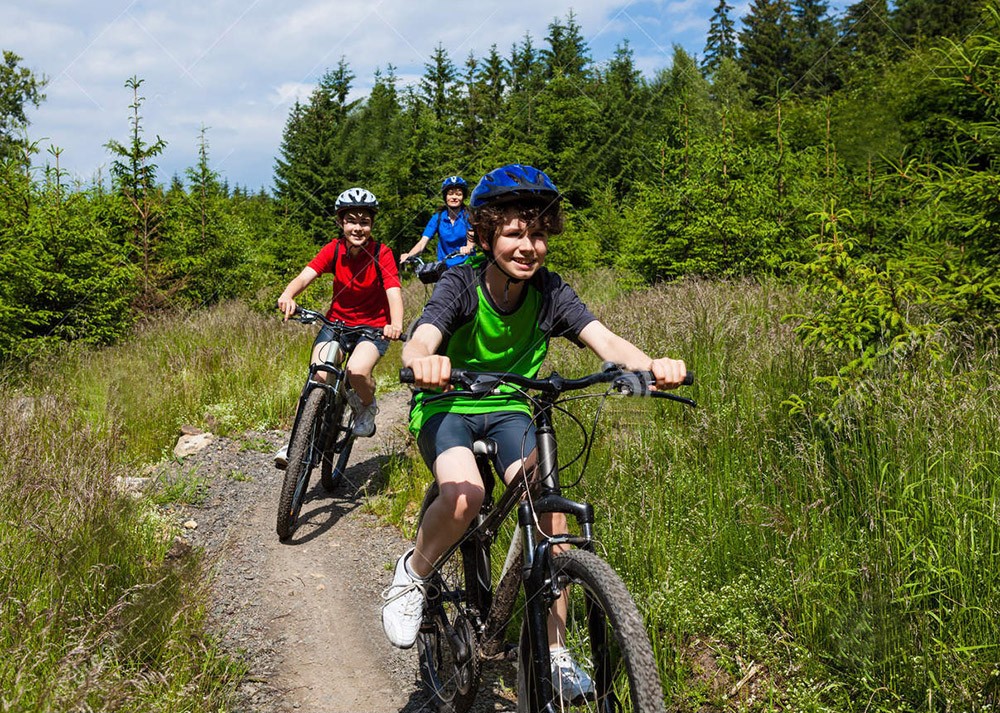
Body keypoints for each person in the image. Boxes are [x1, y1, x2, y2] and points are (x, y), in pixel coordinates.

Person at [380, 164, 687, 699]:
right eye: (515, 233)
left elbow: (605, 341)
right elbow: (422, 337)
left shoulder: (549, 292)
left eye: (539, 233)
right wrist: (423, 360)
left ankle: (555, 652)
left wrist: (651, 366)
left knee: (550, 506)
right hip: (448, 405)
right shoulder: (462, 281)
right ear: (485, 234)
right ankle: (415, 571)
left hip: (512, 408)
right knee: (465, 495)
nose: (529, 245)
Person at [275, 187, 403, 466]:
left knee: (357, 371)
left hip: (373, 327)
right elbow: (305, 276)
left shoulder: (382, 253)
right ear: (341, 222)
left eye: (364, 222)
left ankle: (366, 405)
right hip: (336, 323)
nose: (358, 228)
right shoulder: (333, 249)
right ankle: (296, 442)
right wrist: (288, 295)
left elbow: (393, 290)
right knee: (317, 378)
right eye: (352, 221)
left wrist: (395, 324)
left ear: (371, 224)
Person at [398, 175, 476, 268]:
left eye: (458, 194)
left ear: (463, 197)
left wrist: (468, 248)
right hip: (445, 267)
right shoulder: (437, 218)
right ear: (445, 196)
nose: (454, 197)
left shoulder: (468, 216)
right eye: (450, 194)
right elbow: (423, 242)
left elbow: (471, 239)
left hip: (466, 265)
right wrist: (410, 255)